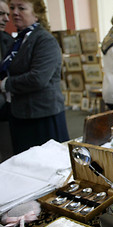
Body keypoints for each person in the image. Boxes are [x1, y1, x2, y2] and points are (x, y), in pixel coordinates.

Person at [0, 0, 69, 154]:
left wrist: (5, 84)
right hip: (21, 113)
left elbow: (39, 78)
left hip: (41, 116)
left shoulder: (44, 40)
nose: (14, 12)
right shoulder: (19, 40)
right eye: (12, 8)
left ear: (36, 14)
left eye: (21, 8)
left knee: (48, 165)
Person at [0, 0, 13, 121]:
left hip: (6, 107)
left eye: (7, 14)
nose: (7, 19)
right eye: (1, 14)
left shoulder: (9, 41)